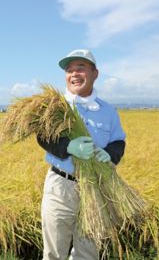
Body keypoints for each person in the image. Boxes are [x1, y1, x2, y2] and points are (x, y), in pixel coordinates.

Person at [37, 49, 126, 260]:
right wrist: (68, 146)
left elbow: (118, 141)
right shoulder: (54, 107)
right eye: (69, 70)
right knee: (54, 253)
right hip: (61, 187)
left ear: (95, 73)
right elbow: (42, 137)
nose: (74, 74)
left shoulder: (107, 111)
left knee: (88, 253)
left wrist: (110, 154)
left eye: (80, 68)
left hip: (96, 187)